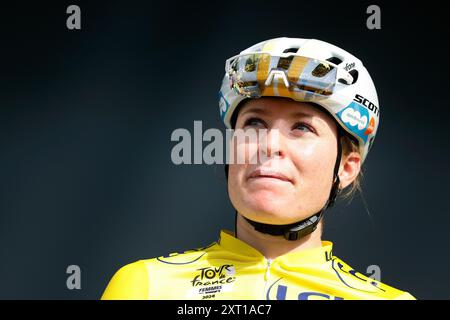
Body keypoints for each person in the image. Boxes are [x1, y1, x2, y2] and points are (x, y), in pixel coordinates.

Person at [101, 37, 415, 300]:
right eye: (254, 123)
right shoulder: (145, 285)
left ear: (346, 168)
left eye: (302, 127)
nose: (269, 145)